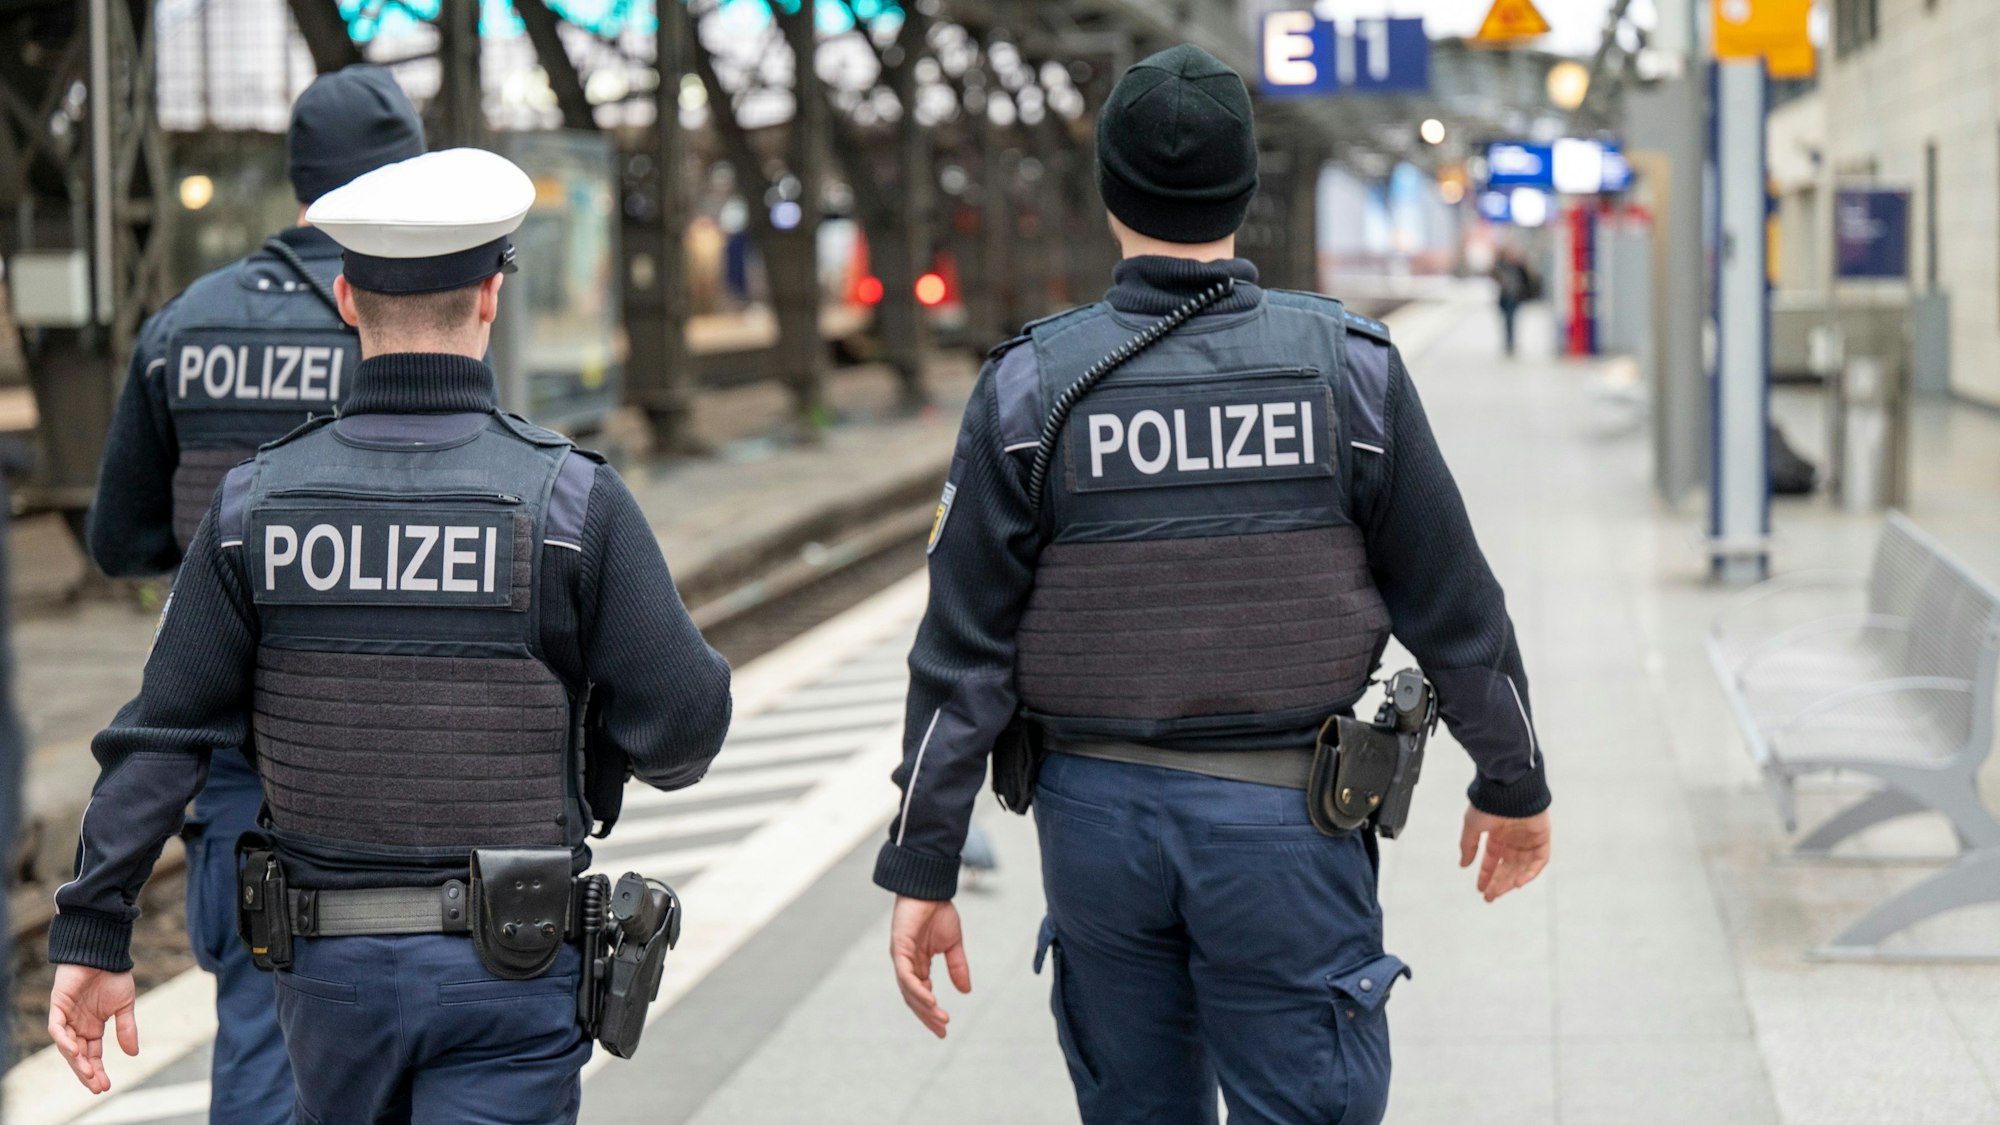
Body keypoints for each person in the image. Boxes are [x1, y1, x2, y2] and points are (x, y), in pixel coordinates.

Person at [875, 45, 1553, 1125]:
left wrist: (922, 862)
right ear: (1244, 188)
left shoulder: (1027, 391)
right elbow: (1457, 617)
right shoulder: (1349, 374)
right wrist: (1510, 781)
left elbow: (962, 661)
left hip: (1091, 828)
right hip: (1287, 822)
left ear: (1109, 193)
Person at [46, 147, 733, 1122]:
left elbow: (162, 735)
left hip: (327, 977)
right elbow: (686, 728)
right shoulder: (570, 503)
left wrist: (93, 929)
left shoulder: (255, 508)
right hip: (515, 960)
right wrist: (592, 750)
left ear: (345, 301)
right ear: (490, 297)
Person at [78, 65, 425, 1124]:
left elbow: (121, 538)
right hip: (390, 768)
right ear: (406, 177)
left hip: (233, 767)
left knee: (265, 1050)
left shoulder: (185, 325)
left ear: (298, 180)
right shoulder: (415, 322)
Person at [1492, 244, 1533, 357]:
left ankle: (1511, 342)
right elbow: (1493, 274)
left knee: (1512, 320)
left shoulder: (1519, 266)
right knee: (1506, 320)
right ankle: (1508, 341)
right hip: (1504, 297)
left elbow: (1527, 279)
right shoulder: (1501, 265)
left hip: (1515, 297)